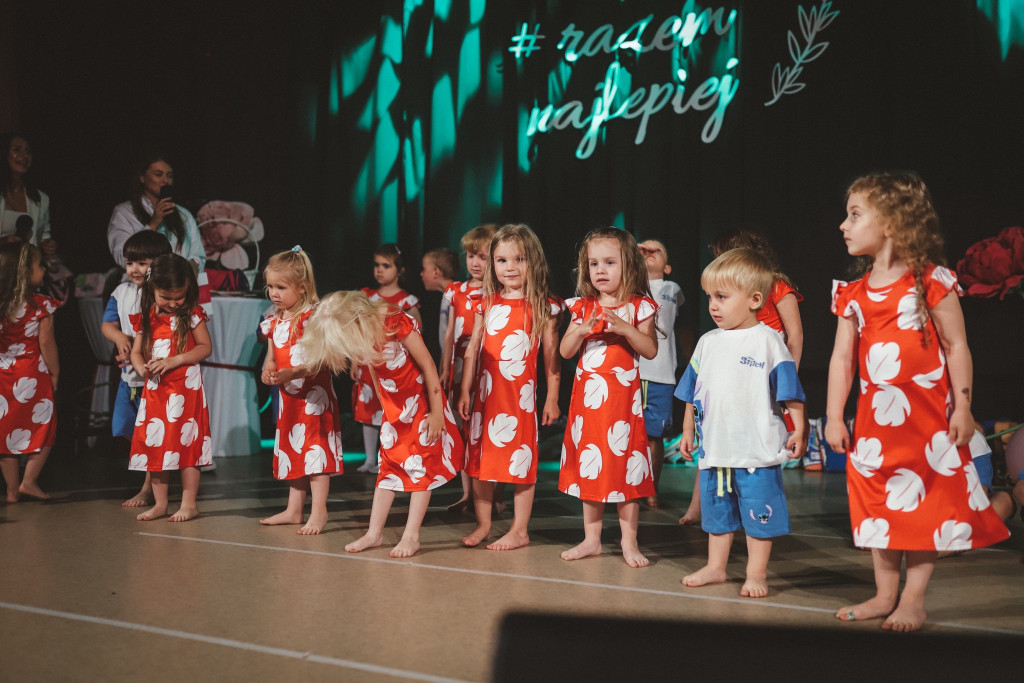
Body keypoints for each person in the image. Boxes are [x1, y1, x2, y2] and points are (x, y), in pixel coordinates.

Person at [826, 171, 1009, 631]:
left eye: (854, 214)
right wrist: (832, 415)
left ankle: (913, 598)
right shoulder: (853, 293)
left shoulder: (931, 282)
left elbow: (957, 347)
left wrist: (963, 407)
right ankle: (884, 593)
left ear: (891, 221)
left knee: (925, 504)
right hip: (874, 424)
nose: (843, 225)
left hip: (928, 422)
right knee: (878, 505)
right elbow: (842, 358)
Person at [675, 247, 807, 596]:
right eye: (709, 297)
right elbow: (692, 392)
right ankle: (716, 568)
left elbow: (790, 391)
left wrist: (801, 427)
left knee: (758, 518)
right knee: (716, 516)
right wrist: (688, 429)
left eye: (721, 296)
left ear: (754, 299)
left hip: (755, 452)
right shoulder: (707, 342)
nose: (713, 305)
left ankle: (756, 573)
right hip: (716, 451)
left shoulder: (768, 341)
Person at [299, 290, 463, 558]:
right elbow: (373, 369)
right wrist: (383, 404)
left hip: (421, 404)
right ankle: (374, 533)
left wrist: (436, 413)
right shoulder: (360, 336)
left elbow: (428, 367)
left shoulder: (395, 321)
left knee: (419, 468)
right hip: (394, 409)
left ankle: (412, 536)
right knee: (388, 466)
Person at [558, 227, 658, 568]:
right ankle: (592, 539)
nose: (600, 270)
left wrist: (626, 329)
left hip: (622, 407)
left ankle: (629, 542)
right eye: (594, 263)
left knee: (625, 470)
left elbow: (650, 350)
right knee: (592, 468)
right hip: (588, 406)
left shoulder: (639, 307)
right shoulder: (583, 307)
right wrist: (581, 330)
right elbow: (565, 350)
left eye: (609, 262)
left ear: (628, 265)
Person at [457, 224, 561, 550]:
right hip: (486, 398)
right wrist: (464, 390)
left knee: (520, 461)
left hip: (520, 400)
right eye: (502, 260)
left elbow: (551, 360)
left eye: (519, 259)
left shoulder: (544, 306)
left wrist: (553, 398)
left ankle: (519, 529)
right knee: (481, 462)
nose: (511, 268)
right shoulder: (485, 303)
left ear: (534, 261)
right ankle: (484, 524)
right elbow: (472, 348)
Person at [259, 247, 343, 535]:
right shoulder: (274, 319)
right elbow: (271, 354)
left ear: (302, 287)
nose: (274, 293)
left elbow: (319, 360)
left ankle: (319, 511)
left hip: (313, 398)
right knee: (295, 449)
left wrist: (292, 372)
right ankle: (294, 509)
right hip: (289, 398)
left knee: (315, 453)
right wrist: (267, 370)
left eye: (281, 287)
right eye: (271, 286)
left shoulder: (312, 317)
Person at [128, 253, 212, 522]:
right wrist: (141, 368)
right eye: (167, 297)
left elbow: (204, 348)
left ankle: (189, 503)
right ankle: (161, 503)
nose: (174, 303)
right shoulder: (146, 317)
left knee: (186, 444)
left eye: (180, 297)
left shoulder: (192, 314)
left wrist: (176, 359)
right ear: (152, 290)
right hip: (156, 391)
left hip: (185, 391)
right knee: (156, 443)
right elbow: (136, 352)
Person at [100, 230, 173, 507]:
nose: (134, 269)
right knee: (126, 429)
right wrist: (120, 338)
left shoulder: (164, 295)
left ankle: (148, 488)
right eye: (130, 262)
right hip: (129, 378)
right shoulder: (121, 292)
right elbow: (108, 324)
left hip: (155, 377)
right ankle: (150, 480)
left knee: (151, 433)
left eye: (142, 263)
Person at [352, 244, 421, 473]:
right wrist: (354, 359)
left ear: (399, 270)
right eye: (376, 265)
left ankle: (390, 457)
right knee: (367, 409)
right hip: (367, 361)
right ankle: (370, 458)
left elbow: (416, 331)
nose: (379, 270)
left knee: (391, 410)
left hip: (394, 365)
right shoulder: (367, 297)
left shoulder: (406, 301)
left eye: (386, 266)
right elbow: (357, 330)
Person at [441, 224, 495, 514]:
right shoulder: (455, 291)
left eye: (483, 257)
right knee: (463, 431)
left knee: (486, 432)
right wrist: (444, 369)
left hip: (487, 370)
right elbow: (449, 335)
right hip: (460, 369)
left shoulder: (498, 294)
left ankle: (492, 494)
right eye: (471, 256)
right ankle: (467, 493)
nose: (475, 262)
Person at [0, 242, 59, 502]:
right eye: (39, 266)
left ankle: (12, 491)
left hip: (3, 374)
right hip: (32, 372)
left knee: (6, 431)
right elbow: (46, 342)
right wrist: (55, 373)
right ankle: (29, 482)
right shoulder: (40, 305)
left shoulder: (2, 304)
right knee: (46, 427)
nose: (44, 270)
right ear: (25, 271)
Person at [107, 155, 207, 296]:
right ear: (142, 177)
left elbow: (198, 254)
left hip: (181, 291)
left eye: (169, 176)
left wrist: (194, 265)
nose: (165, 180)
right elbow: (121, 256)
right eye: (158, 174)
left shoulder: (183, 214)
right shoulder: (124, 212)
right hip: (142, 292)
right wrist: (153, 223)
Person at [637, 239, 687, 508]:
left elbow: (680, 324)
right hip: (630, 371)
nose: (648, 252)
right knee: (628, 432)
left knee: (654, 435)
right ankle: (627, 485)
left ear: (667, 267)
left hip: (661, 373)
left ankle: (651, 488)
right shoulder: (628, 287)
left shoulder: (672, 289)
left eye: (656, 250)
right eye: (643, 250)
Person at [0, 133, 56, 251]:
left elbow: (44, 236)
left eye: (28, 152)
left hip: (28, 267)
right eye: (16, 150)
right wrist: (3, 242)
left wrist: (47, 245)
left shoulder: (41, 198)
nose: (24, 156)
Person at [421, 247, 459, 353]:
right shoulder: (447, 295)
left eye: (424, 269)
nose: (421, 274)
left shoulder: (456, 296)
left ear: (436, 272)